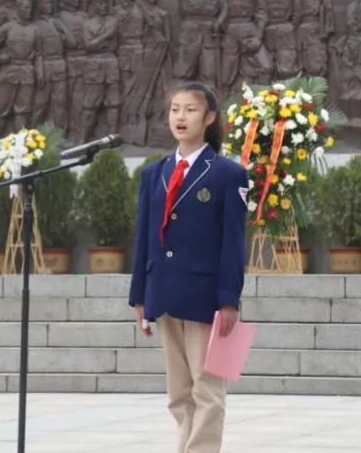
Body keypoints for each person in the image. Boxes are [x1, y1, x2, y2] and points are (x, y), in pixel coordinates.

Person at [128, 81, 248, 453]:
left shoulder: (228, 174)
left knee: (208, 388)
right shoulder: (154, 173)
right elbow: (144, 238)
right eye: (175, 109)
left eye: (191, 109)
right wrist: (139, 297)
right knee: (179, 393)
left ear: (209, 117)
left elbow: (233, 244)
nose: (181, 117)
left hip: (205, 298)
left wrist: (229, 299)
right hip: (164, 293)